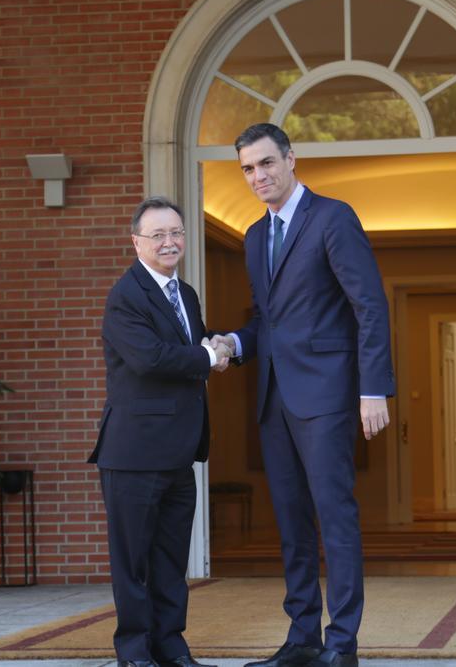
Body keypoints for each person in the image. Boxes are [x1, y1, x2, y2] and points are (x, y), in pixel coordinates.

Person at [211, 123, 395, 667]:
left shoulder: (333, 218)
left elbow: (370, 306)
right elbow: (268, 320)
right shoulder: (252, 237)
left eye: (266, 163)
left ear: (291, 160)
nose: (258, 176)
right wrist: (235, 344)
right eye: (247, 168)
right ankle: (301, 639)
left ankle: (342, 645)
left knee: (334, 517)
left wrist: (374, 390)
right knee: (290, 520)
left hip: (328, 396)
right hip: (273, 398)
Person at [90, 196, 229, 667]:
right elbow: (150, 359)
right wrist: (210, 357)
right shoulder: (125, 296)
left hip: (178, 453)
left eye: (177, 233)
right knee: (134, 565)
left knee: (172, 562)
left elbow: (196, 345)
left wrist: (219, 345)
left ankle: (171, 645)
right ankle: (134, 651)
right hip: (132, 454)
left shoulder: (184, 293)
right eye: (158, 235)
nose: (170, 242)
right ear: (136, 242)